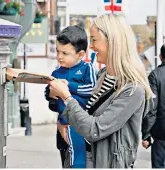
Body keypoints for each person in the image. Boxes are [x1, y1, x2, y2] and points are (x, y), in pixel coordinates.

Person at [48, 14, 154, 168]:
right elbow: (81, 114)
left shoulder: (132, 89)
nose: (90, 46)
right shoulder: (100, 76)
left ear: (112, 42)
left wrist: (67, 97)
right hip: (82, 159)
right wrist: (55, 100)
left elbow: (94, 129)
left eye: (94, 40)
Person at [44, 25, 96, 168]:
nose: (59, 56)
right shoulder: (55, 73)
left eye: (65, 53)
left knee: (78, 159)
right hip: (63, 124)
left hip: (80, 123)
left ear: (80, 55)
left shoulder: (87, 68)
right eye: (57, 51)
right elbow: (52, 104)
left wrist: (68, 86)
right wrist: (50, 95)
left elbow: (92, 89)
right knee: (67, 158)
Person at [142, 44, 165, 168]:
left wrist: (146, 134)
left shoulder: (155, 75)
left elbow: (151, 107)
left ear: (161, 57)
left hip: (161, 132)